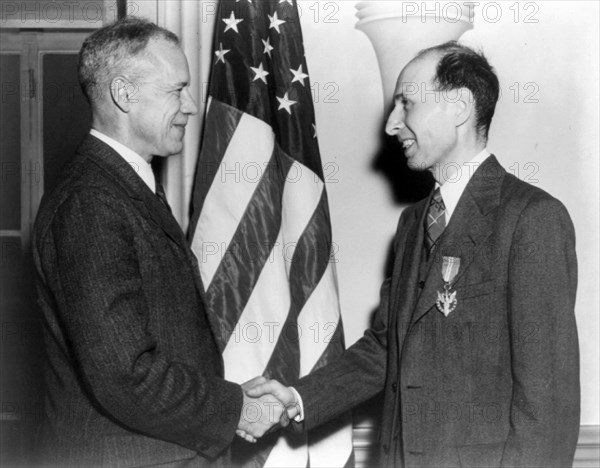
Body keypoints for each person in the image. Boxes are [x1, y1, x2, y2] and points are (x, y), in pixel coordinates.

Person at [247, 41, 580, 467]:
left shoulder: (532, 218)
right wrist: (295, 399)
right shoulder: (412, 224)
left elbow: (547, 402)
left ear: (460, 107)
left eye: (407, 104)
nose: (391, 124)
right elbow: (387, 348)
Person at [33, 17, 285, 467]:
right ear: (124, 94)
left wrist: (225, 400)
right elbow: (124, 375)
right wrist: (236, 409)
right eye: (177, 90)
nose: (190, 105)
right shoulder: (91, 201)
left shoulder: (123, 185)